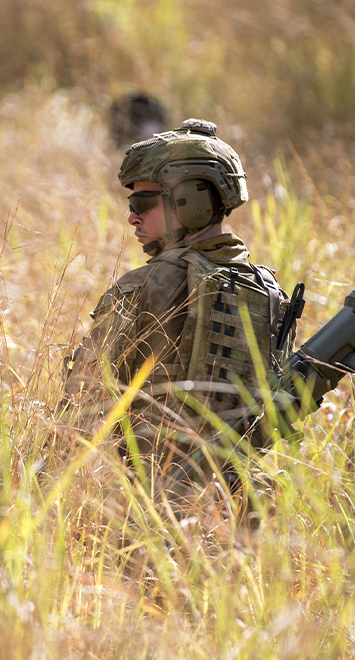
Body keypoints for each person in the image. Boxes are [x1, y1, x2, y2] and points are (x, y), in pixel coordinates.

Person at [64, 118, 296, 499]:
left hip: (153, 503)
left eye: (143, 203)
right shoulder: (268, 291)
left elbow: (78, 408)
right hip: (243, 503)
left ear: (191, 202)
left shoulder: (144, 285)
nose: (132, 216)